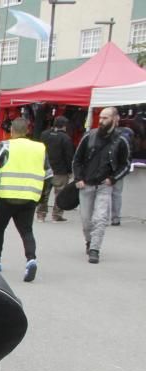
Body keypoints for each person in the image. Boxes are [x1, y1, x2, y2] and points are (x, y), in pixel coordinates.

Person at [0, 117, 51, 282]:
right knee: (26, 230)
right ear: (27, 131)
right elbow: (49, 174)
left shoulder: (5, 145)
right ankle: (31, 259)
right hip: (30, 196)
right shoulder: (40, 148)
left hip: (6, 196)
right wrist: (42, 196)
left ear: (12, 131)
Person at [72, 106, 130, 264]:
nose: (101, 120)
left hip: (105, 186)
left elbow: (125, 164)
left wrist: (113, 178)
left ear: (114, 119)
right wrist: (78, 178)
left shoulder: (121, 139)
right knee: (86, 220)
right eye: (101, 117)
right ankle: (89, 241)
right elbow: (77, 160)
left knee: (100, 218)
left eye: (105, 118)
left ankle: (95, 249)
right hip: (86, 185)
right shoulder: (89, 136)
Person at [38, 116, 75, 222]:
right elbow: (69, 156)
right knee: (60, 193)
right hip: (60, 170)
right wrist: (70, 170)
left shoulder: (44, 134)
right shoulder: (66, 138)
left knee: (44, 192)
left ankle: (41, 214)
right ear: (64, 126)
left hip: (45, 169)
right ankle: (56, 215)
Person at [110, 124, 134, 226]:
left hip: (105, 171)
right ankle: (115, 219)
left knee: (104, 194)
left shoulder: (110, 137)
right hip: (118, 172)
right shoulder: (126, 139)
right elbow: (127, 159)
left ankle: (103, 218)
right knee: (116, 195)